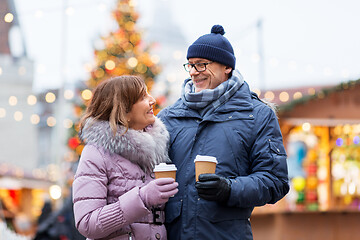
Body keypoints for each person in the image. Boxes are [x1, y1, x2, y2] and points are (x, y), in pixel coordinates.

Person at [157, 25, 289, 240]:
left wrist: (230, 188)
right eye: (190, 65)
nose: (193, 72)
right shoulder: (168, 117)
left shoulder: (257, 115)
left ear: (226, 67)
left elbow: (275, 181)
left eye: (201, 65)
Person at [72, 76, 178, 240]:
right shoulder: (96, 153)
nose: (152, 100)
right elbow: (87, 223)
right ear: (124, 110)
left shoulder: (158, 149)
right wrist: (142, 198)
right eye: (143, 97)